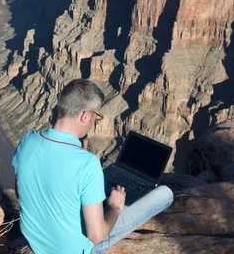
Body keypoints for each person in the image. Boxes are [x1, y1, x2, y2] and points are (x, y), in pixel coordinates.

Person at [12, 79, 174, 254]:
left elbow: (19, 190)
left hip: (34, 240)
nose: (95, 122)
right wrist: (114, 206)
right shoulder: (87, 163)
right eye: (97, 116)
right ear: (85, 116)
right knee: (165, 194)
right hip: (75, 250)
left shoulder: (28, 140)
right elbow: (97, 236)